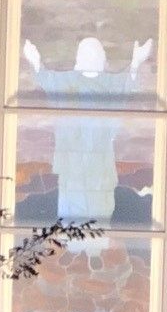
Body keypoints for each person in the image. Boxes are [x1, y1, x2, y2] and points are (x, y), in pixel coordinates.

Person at [22, 34, 153, 223]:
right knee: (72, 209)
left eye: (95, 53)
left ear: (102, 59)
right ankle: (73, 245)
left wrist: (136, 63)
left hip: (100, 162)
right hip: (72, 163)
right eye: (86, 53)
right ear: (78, 59)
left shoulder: (110, 84)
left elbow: (126, 84)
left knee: (100, 209)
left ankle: (96, 248)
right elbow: (47, 78)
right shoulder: (67, 82)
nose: (91, 57)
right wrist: (35, 61)